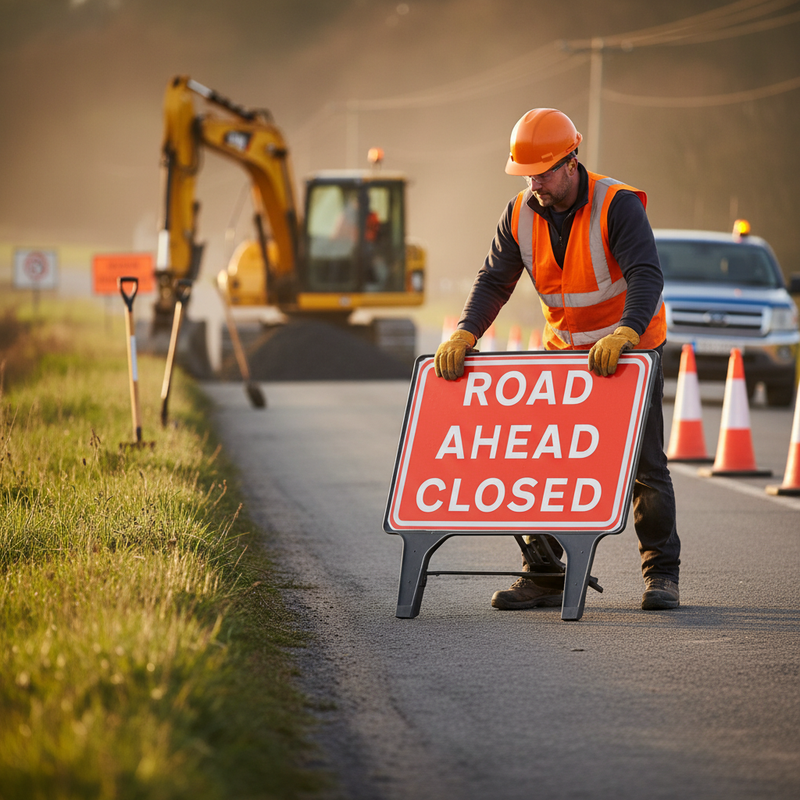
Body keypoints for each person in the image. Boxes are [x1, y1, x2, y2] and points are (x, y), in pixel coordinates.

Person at [434, 107, 680, 612]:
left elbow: (645, 275)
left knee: (644, 466)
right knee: (539, 461)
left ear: (571, 161)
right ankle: (544, 574)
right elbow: (493, 281)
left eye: (543, 173)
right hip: (564, 357)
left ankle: (661, 574)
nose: (535, 184)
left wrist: (627, 332)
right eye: (528, 175)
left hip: (630, 353)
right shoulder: (519, 212)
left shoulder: (618, 204)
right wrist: (465, 331)